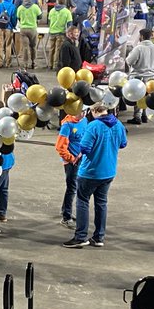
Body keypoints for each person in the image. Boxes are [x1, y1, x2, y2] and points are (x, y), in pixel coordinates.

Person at [63, 102, 127, 249]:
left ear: (93, 111)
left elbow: (85, 147)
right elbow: (123, 144)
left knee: (82, 201)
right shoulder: (118, 124)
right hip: (109, 171)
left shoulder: (93, 126)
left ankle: (81, 237)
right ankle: (99, 237)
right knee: (101, 203)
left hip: (90, 172)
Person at [125, 31, 154, 124]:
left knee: (138, 96)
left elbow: (129, 61)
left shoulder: (138, 48)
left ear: (141, 36)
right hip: (151, 78)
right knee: (147, 97)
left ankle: (137, 116)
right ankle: (144, 115)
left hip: (138, 76)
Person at [55, 113, 83, 228]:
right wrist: (71, 159)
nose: (84, 113)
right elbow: (60, 146)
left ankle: (65, 209)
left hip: (81, 159)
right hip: (72, 162)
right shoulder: (67, 125)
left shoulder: (84, 121)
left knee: (74, 187)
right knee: (72, 188)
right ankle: (66, 217)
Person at [14, 0, 40, 70]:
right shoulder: (35, 7)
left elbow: (18, 17)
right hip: (32, 29)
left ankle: (25, 64)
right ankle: (33, 63)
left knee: (25, 47)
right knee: (33, 47)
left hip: (24, 29)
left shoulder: (20, 8)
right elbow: (40, 16)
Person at [47, 0, 73, 69]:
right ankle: (56, 65)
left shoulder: (52, 10)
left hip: (52, 32)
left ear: (57, 2)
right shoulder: (67, 11)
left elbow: (49, 21)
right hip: (61, 33)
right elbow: (69, 24)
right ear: (64, 2)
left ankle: (50, 64)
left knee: (51, 49)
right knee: (58, 49)